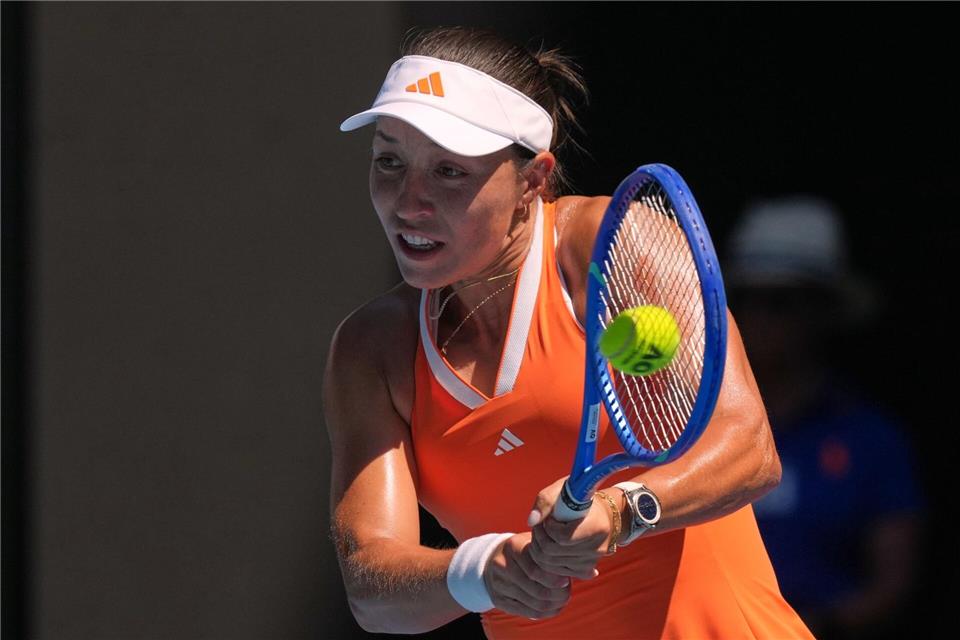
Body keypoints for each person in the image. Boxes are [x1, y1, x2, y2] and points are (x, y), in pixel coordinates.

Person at [325, 26, 812, 638]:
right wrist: (481, 571)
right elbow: (371, 586)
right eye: (389, 161)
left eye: (449, 171)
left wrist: (620, 510)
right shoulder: (371, 350)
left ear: (533, 180)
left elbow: (749, 449)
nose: (407, 201)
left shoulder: (609, 245)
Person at [726, 198, 924, 639]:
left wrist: (812, 626)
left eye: (780, 301)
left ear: (822, 311)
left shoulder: (872, 439)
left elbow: (893, 581)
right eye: (748, 298)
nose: (760, 317)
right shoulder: (692, 428)